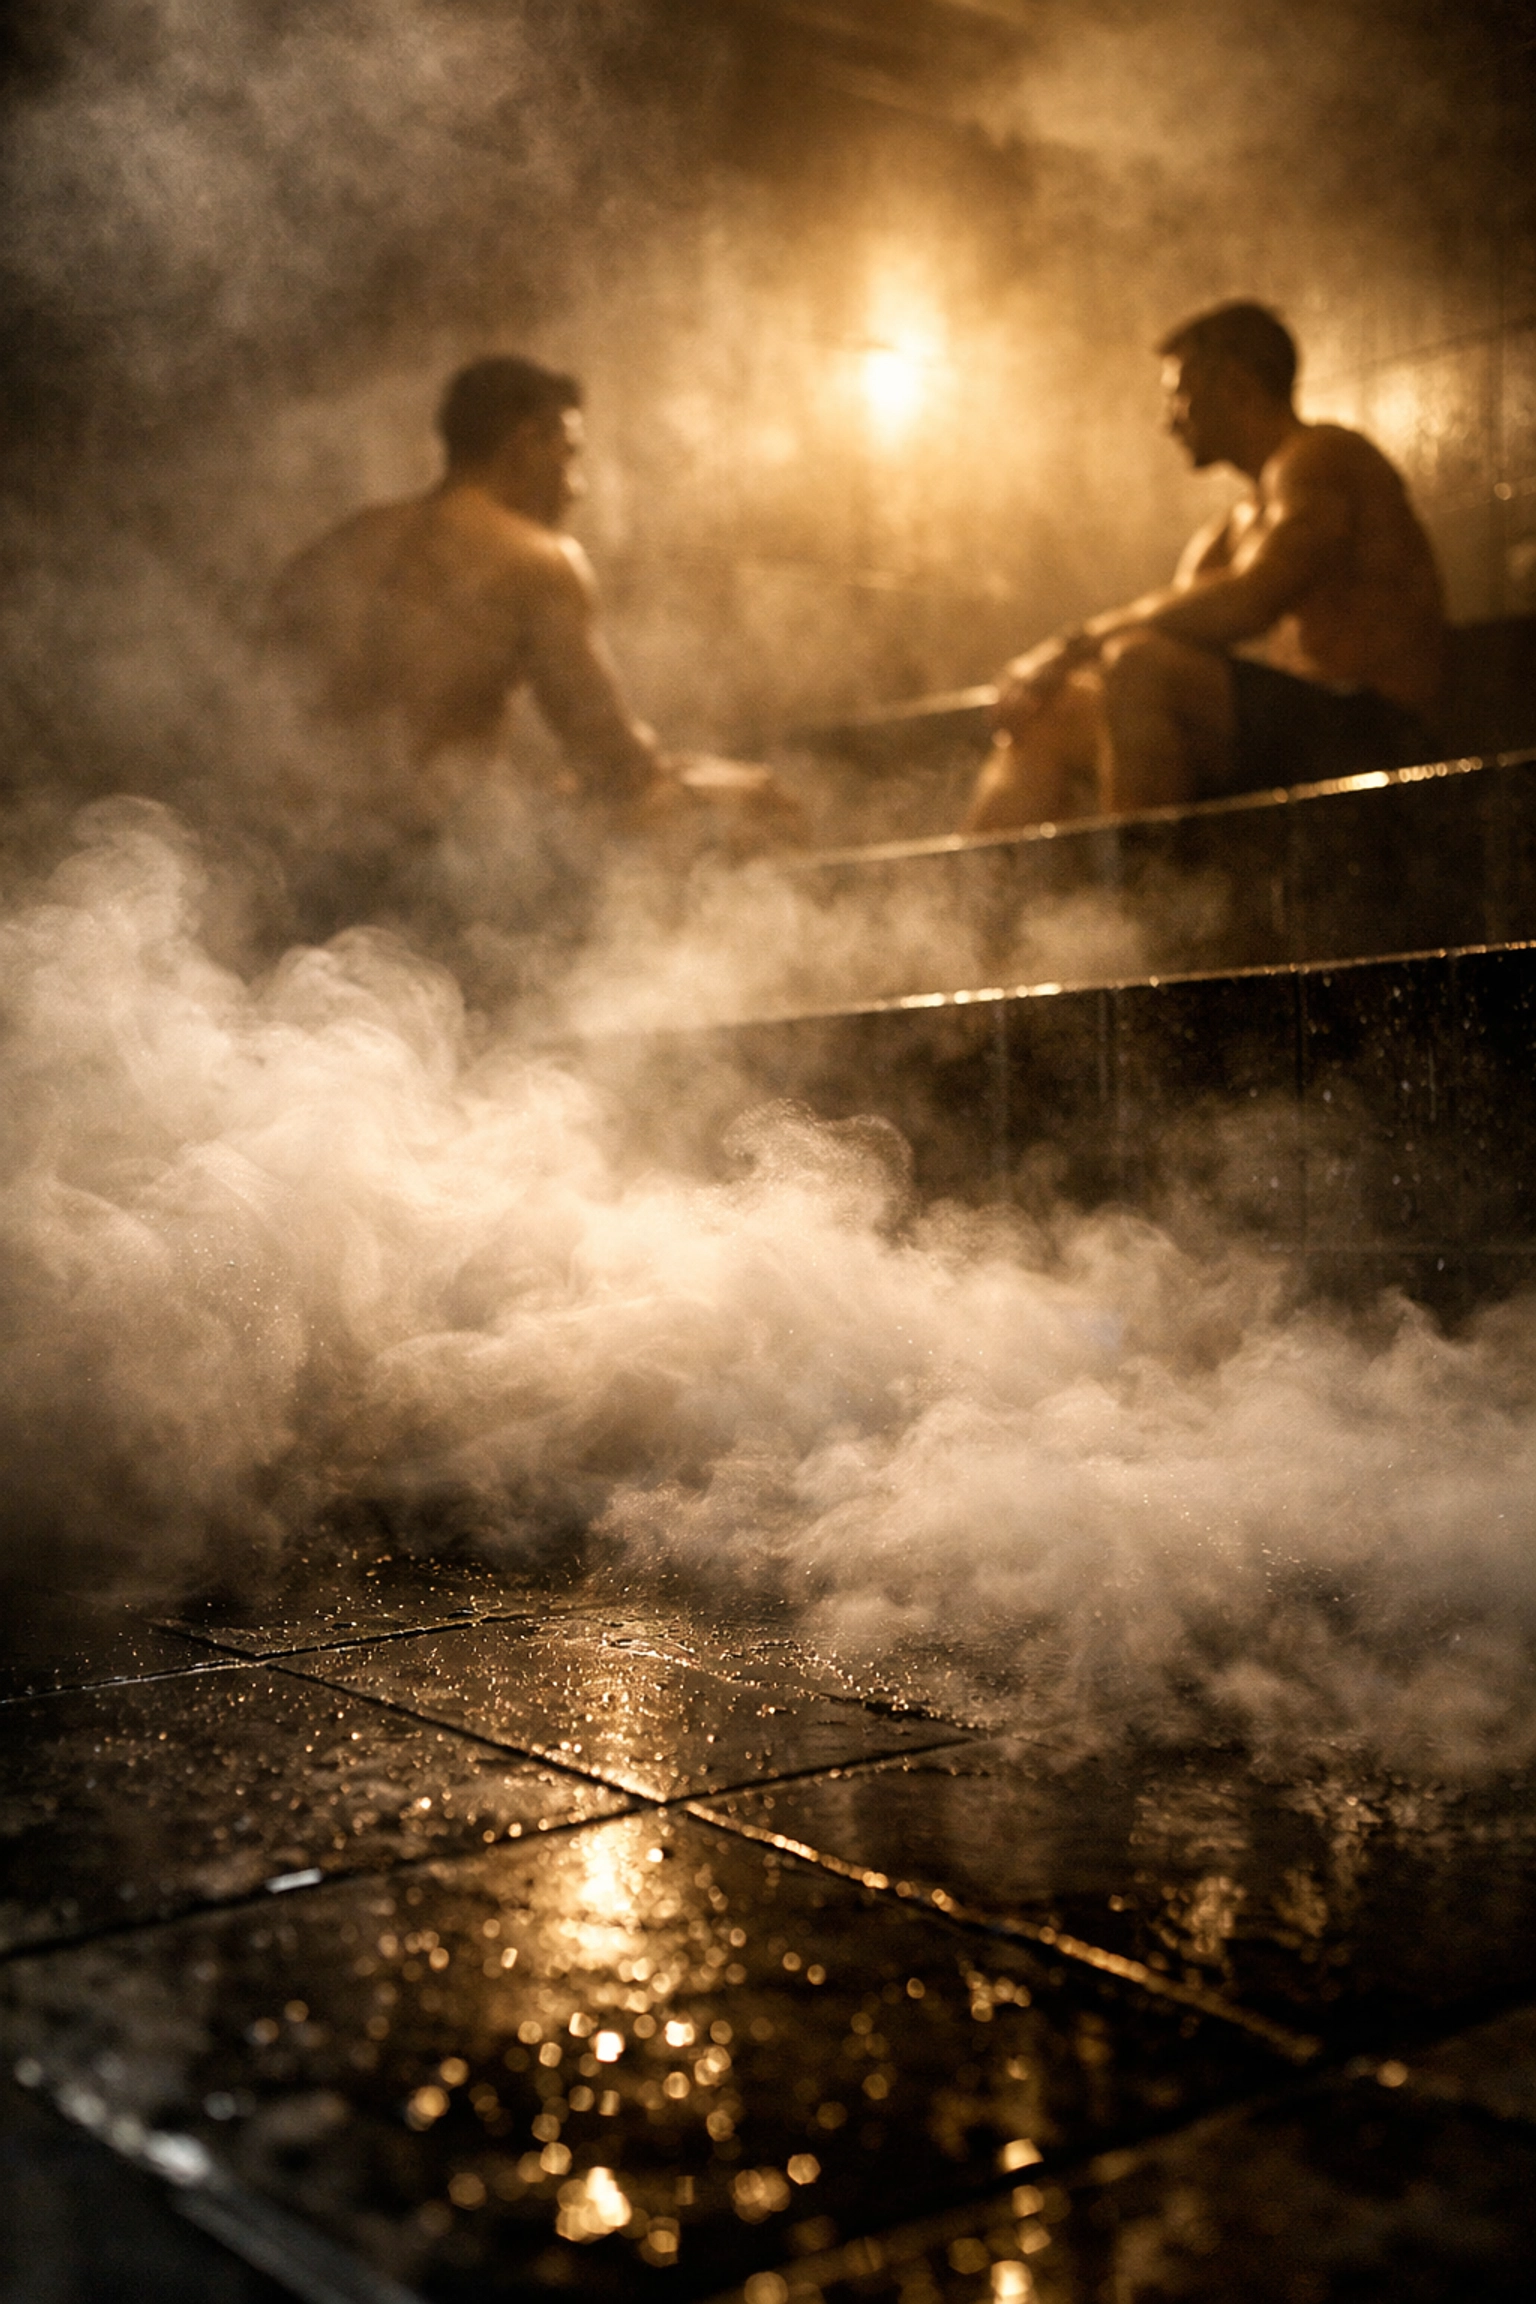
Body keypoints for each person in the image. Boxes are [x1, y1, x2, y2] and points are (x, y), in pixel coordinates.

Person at [264, 355, 798, 873]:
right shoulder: (534, 557)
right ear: (524, 447)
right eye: (569, 455)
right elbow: (614, 764)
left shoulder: (337, 548)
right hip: (436, 863)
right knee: (745, 803)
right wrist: (716, 785)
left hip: (311, 851)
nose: (577, 487)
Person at [962, 302, 1446, 833]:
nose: (1168, 420)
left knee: (1139, 664)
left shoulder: (1322, 457)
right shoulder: (1231, 526)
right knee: (1047, 716)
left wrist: (1069, 646)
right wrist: (1053, 677)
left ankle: (1145, 899)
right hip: (1295, 736)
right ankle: (968, 902)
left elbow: (1248, 601)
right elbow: (1181, 625)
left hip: (1379, 729)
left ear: (1235, 386)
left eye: (1179, 394)